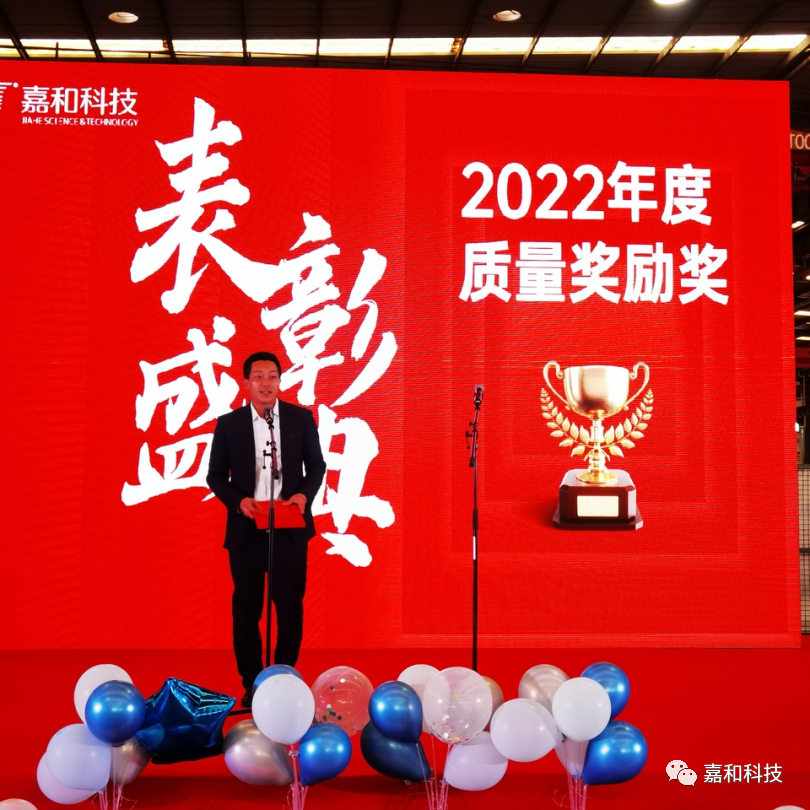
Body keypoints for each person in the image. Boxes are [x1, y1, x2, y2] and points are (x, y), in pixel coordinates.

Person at [207, 351, 326, 708]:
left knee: (289, 607)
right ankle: (253, 683)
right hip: (247, 528)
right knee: (246, 609)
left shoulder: (299, 418)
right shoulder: (229, 424)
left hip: (289, 527)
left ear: (279, 381)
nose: (266, 383)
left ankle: (284, 678)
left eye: (272, 376)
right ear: (246, 382)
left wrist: (303, 496)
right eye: (258, 376)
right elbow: (216, 476)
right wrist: (239, 500)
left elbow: (316, 466)